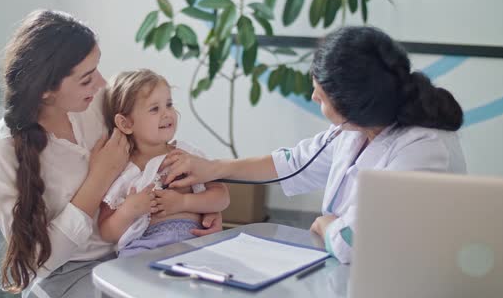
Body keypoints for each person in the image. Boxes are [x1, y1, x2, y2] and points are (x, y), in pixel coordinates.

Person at [158, 26, 467, 264]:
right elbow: (292, 163)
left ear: (353, 106)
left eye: (319, 95)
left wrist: (326, 225)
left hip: (409, 286)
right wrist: (212, 169)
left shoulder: (424, 149)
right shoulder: (355, 131)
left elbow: (352, 243)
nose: (312, 98)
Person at [0, 10, 221, 298]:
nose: (102, 83)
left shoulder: (98, 104)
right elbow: (37, 261)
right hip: (63, 275)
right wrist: (99, 178)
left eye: (97, 69)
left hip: (133, 251)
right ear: (46, 92)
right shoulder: (4, 149)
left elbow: (153, 156)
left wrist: (199, 210)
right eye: (86, 79)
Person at [97, 69, 230, 257]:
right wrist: (128, 210)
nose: (167, 114)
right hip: (145, 245)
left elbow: (222, 198)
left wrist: (184, 202)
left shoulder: (186, 155)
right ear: (126, 124)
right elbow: (106, 232)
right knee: (130, 274)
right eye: (154, 109)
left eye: (169, 104)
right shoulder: (122, 169)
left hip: (193, 239)